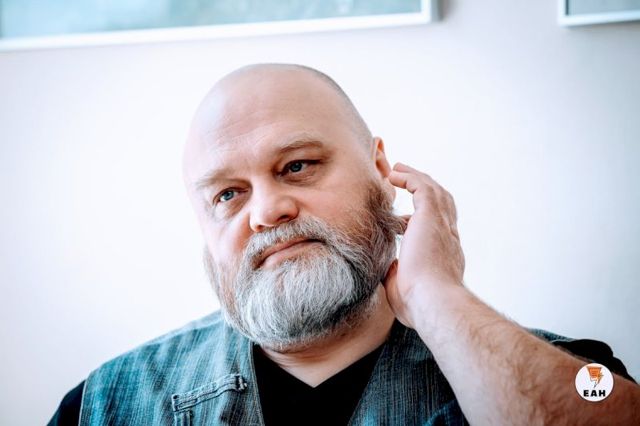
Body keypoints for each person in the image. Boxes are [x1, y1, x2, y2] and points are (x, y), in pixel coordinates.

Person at [50, 63, 639, 425]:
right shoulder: (101, 405)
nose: (267, 211)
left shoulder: (573, 373)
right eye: (228, 195)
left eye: (297, 165)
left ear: (381, 169)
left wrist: (437, 296)